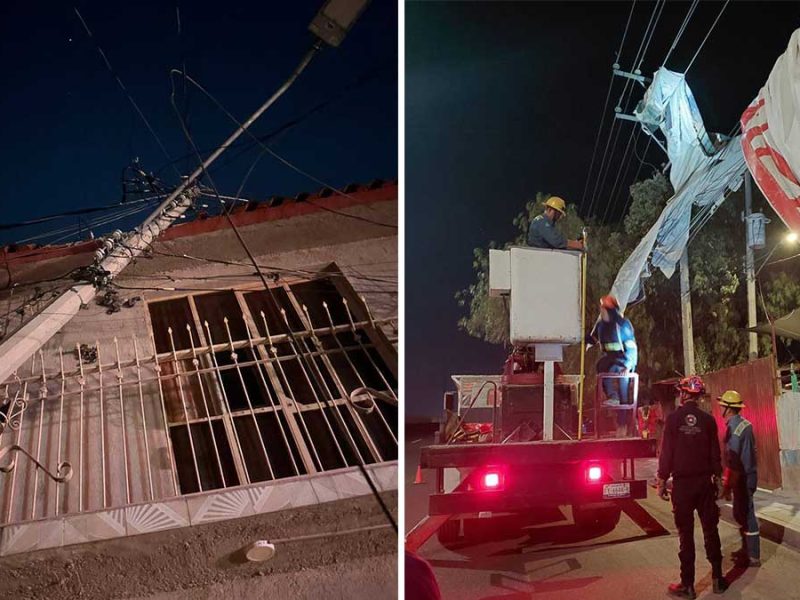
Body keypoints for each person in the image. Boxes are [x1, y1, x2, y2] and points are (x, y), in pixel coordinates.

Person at [657, 376, 727, 599]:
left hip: (683, 486)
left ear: (684, 394)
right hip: (704, 484)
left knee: (685, 536)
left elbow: (666, 453)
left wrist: (661, 480)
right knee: (710, 530)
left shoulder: (674, 419)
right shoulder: (708, 421)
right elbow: (715, 454)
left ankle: (687, 585)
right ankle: (718, 579)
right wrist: (718, 479)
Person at [718, 389, 761, 568]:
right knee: (741, 512)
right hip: (748, 475)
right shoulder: (745, 424)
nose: (720, 408)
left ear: (728, 408)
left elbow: (734, 460)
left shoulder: (734, 429)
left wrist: (728, 485)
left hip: (742, 477)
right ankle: (747, 550)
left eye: (722, 406)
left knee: (746, 514)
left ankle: (753, 555)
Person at [588, 295, 638, 438]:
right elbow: (593, 339)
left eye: (603, 308)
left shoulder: (622, 325)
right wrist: (582, 337)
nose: (601, 311)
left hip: (623, 361)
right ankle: (612, 397)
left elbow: (631, 348)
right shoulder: (601, 325)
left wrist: (627, 366)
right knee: (601, 368)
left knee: (623, 393)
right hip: (609, 359)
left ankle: (624, 425)